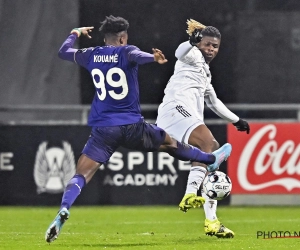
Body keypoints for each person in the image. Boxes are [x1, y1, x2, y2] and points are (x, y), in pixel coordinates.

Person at [45, 15, 232, 243]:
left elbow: (63, 52)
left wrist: (75, 32)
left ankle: (64, 209)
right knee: (170, 143)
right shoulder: (127, 51)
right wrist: (153, 58)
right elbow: (138, 56)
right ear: (123, 38)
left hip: (103, 129)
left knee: (81, 174)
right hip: (132, 125)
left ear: (105, 37)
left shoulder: (90, 54)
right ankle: (210, 158)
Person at [156, 19, 250, 238]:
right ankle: (190, 193)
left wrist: (236, 120)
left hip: (179, 119)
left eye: (215, 46)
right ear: (199, 44)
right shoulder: (192, 56)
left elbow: (214, 103)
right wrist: (191, 41)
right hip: (175, 109)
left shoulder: (205, 73)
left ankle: (212, 222)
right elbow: (180, 52)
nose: (211, 49)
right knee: (208, 143)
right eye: (207, 44)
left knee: (213, 151)